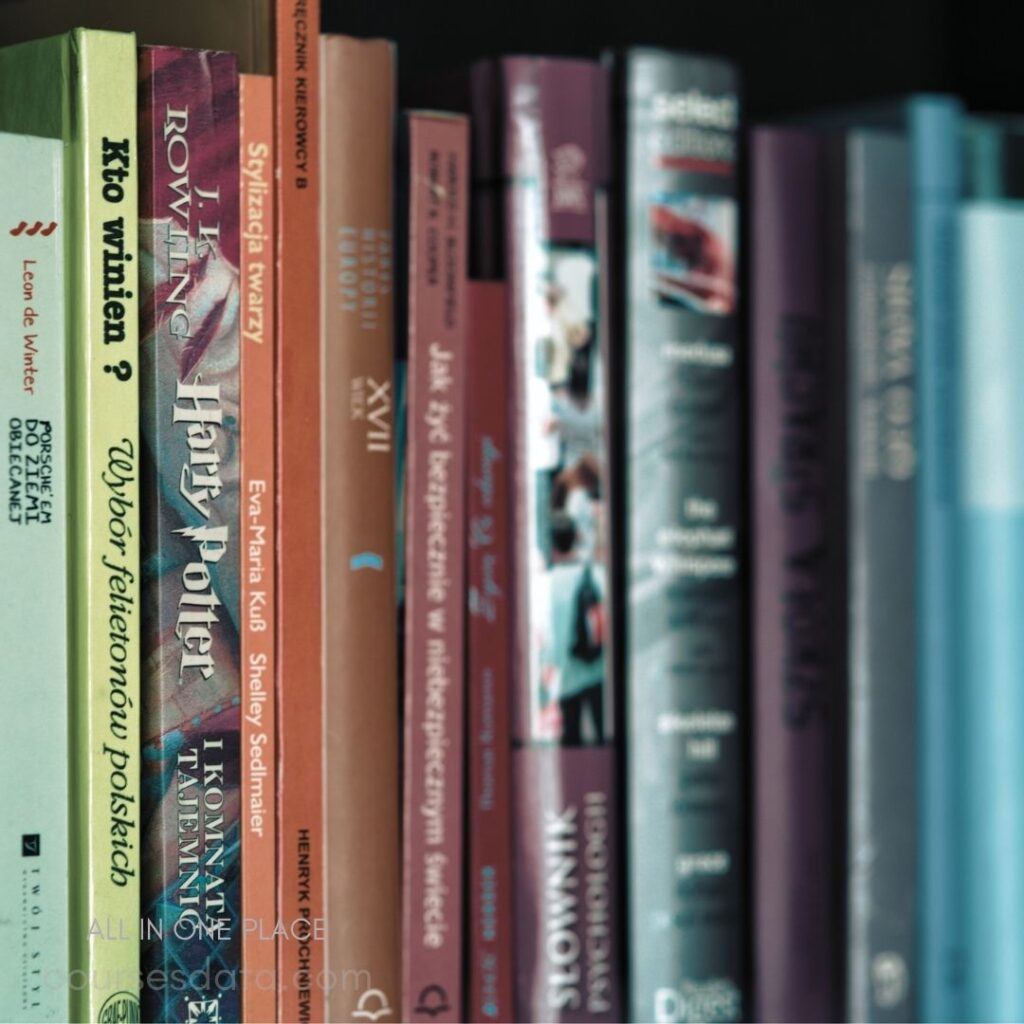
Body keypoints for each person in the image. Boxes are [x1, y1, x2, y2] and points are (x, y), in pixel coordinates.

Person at [539, 511, 606, 746]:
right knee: (603, 734)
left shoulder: (551, 582)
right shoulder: (596, 573)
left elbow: (552, 634)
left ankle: (578, 781)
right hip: (599, 668)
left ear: (552, 545)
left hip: (569, 674)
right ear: (576, 537)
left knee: (572, 742)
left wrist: (548, 667)